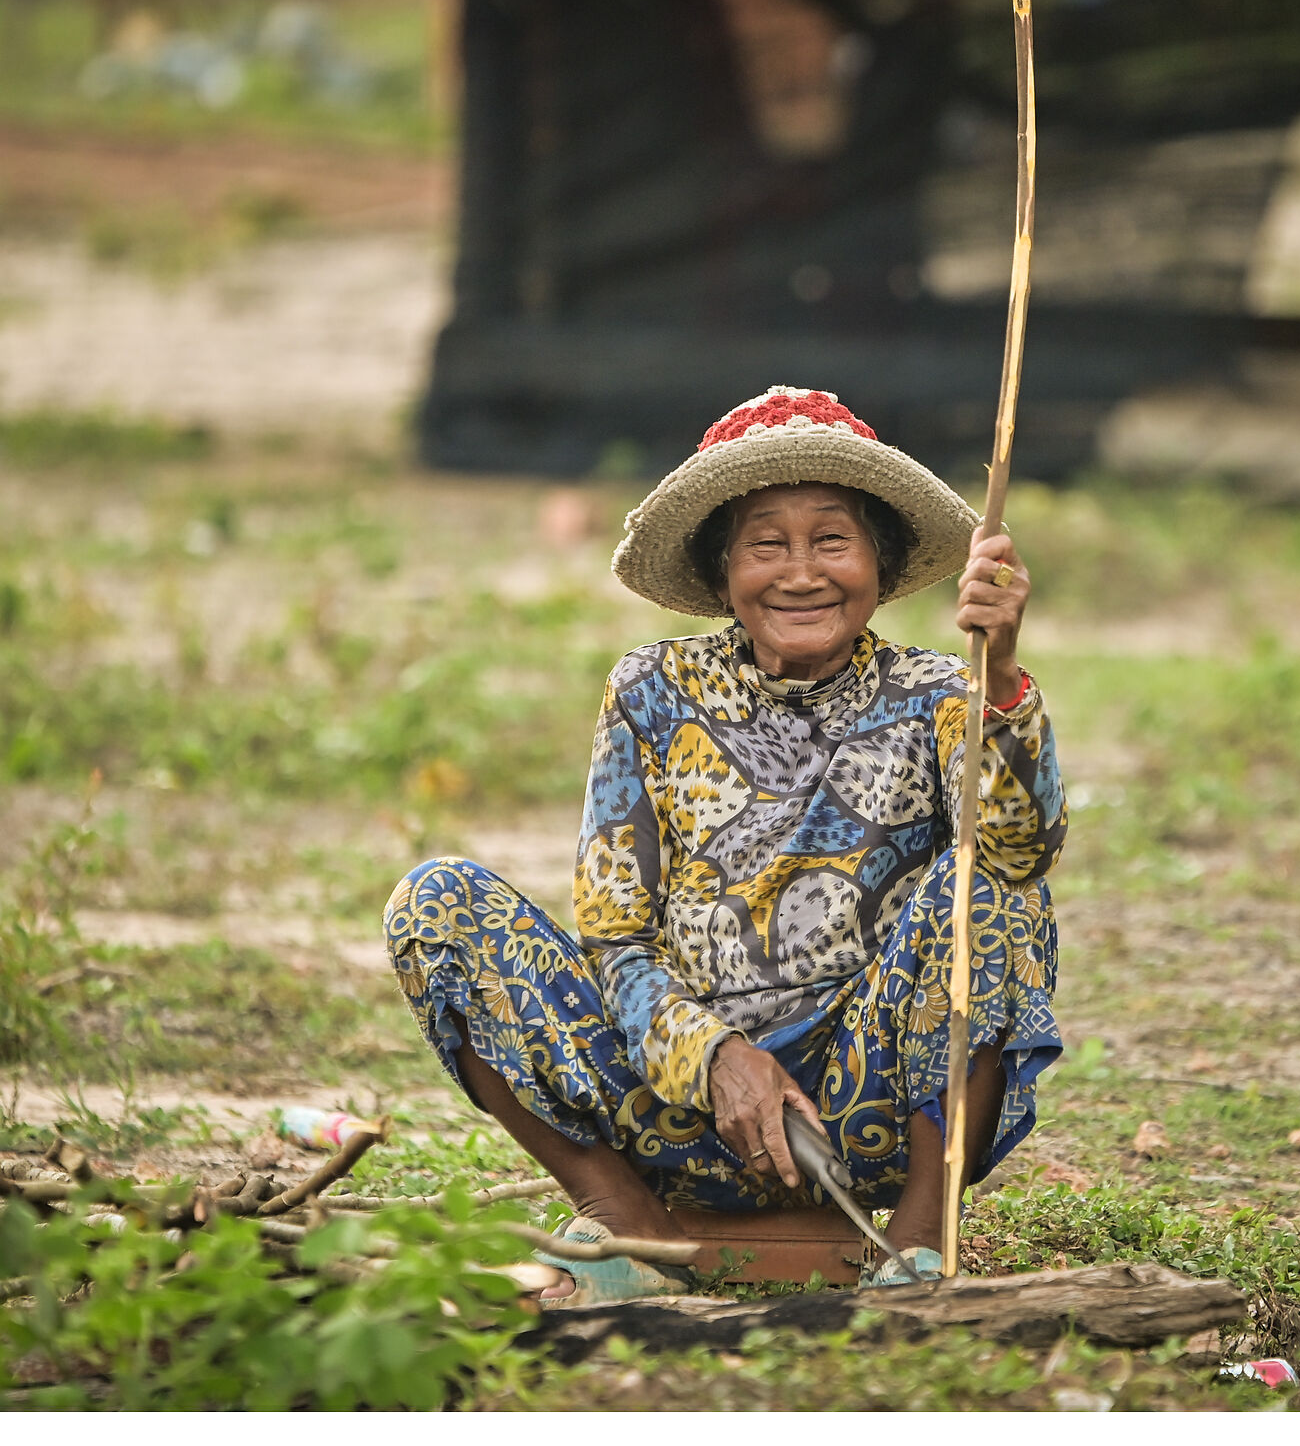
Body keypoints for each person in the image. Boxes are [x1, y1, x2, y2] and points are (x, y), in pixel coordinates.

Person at [383, 386, 1066, 1303]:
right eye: (766, 544)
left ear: (880, 558)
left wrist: (1004, 674)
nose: (801, 573)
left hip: (860, 1118)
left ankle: (915, 1246)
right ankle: (630, 1222)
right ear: (721, 571)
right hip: (677, 1103)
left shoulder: (941, 694)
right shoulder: (651, 691)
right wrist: (717, 1058)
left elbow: (1022, 851)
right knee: (436, 902)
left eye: (832, 540)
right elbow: (615, 938)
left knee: (986, 883)